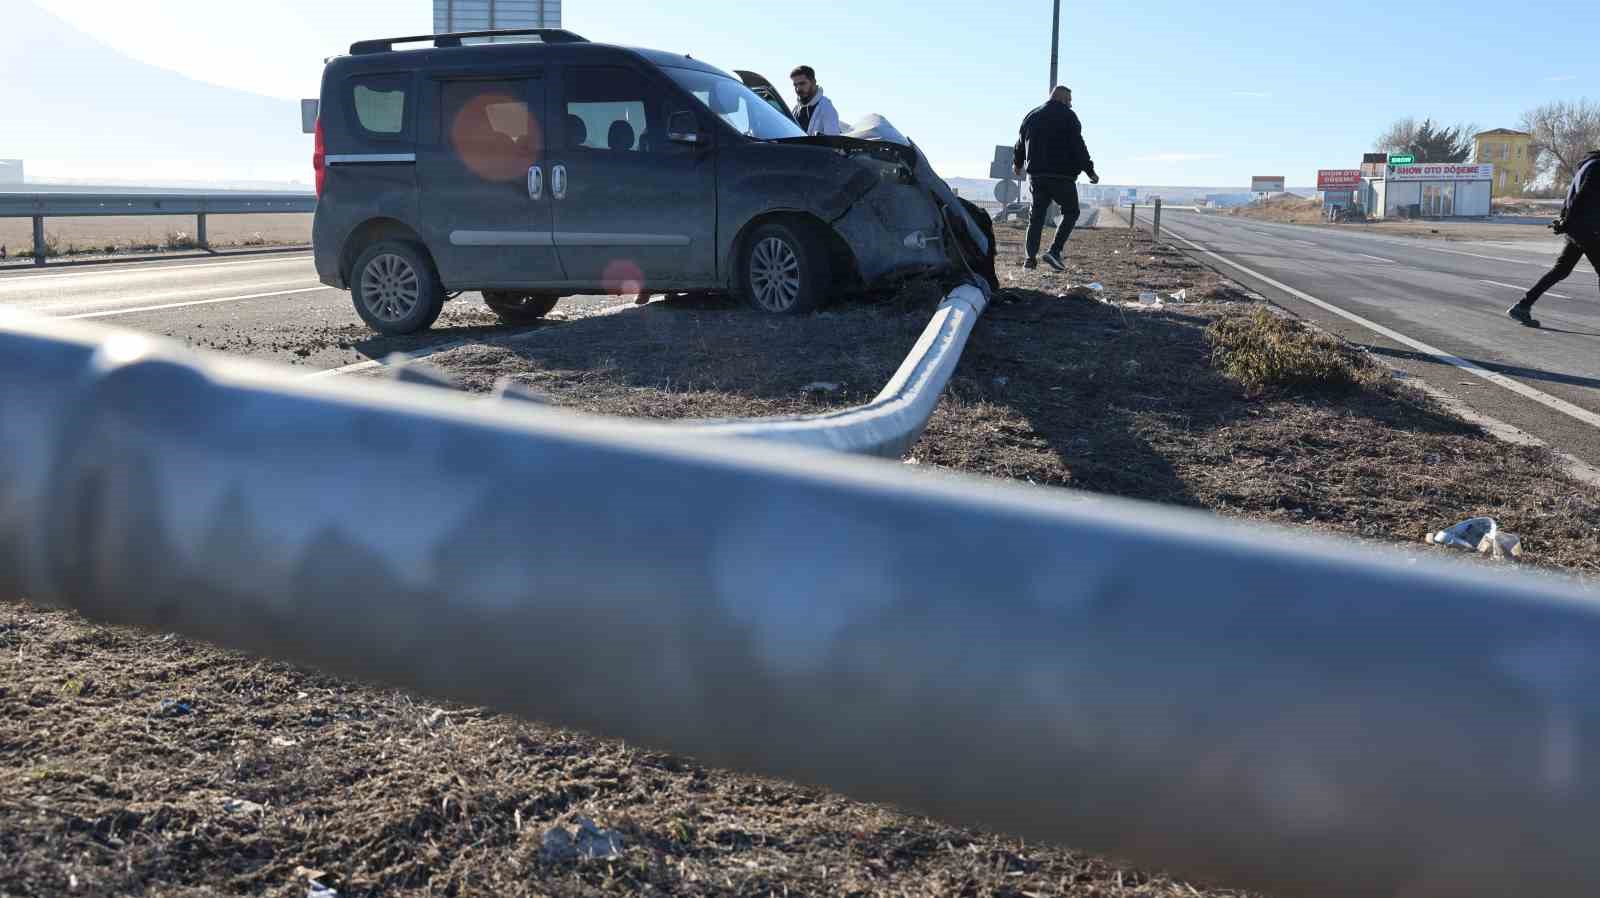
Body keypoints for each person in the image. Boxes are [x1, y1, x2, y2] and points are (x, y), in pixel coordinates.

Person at [1508, 148, 1600, 327]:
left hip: (1579, 228)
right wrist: (1566, 222)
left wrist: (1565, 220)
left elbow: (1571, 197)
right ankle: (1523, 305)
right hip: (1587, 230)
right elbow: (1580, 197)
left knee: (1561, 270)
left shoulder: (1588, 165)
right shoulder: (1597, 167)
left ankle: (1522, 305)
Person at [1013, 85, 1100, 271]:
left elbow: (1020, 143)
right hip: (1062, 176)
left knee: (1036, 217)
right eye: (1069, 100)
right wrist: (1090, 171)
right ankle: (1054, 251)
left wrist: (1017, 164)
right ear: (1060, 98)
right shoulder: (1069, 116)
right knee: (1071, 212)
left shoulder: (1032, 115)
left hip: (1037, 176)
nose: (1070, 104)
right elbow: (1078, 146)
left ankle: (1030, 260)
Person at [790, 66, 841, 137]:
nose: (798, 89)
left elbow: (833, 142)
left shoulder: (826, 108)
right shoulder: (796, 110)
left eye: (802, 84)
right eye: (795, 85)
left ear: (813, 82)